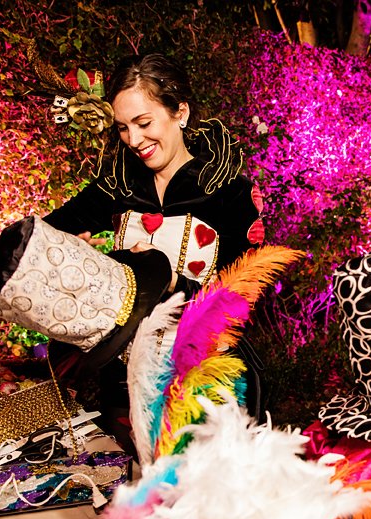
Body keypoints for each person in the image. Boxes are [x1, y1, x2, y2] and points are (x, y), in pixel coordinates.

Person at [43, 53, 265, 456]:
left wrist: (171, 282)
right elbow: (44, 235)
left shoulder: (229, 193)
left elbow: (246, 298)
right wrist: (74, 254)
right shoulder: (117, 184)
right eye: (123, 128)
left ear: (180, 112)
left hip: (201, 377)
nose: (134, 140)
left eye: (144, 123)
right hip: (119, 380)